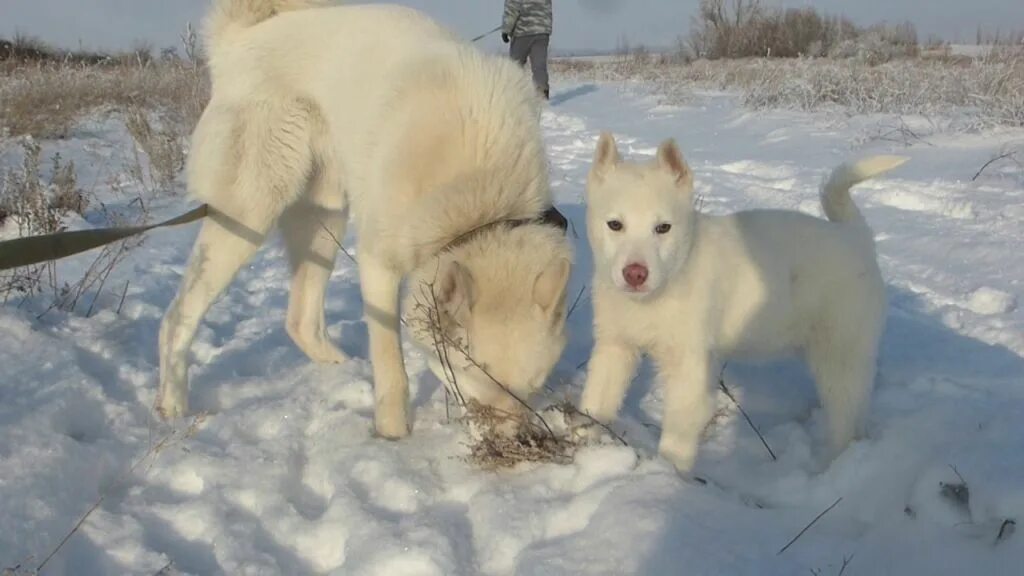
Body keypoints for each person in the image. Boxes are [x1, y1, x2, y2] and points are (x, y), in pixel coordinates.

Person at [501, 0, 552, 100]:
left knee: (515, 66)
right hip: (542, 31)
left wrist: (506, 30)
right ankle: (542, 97)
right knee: (539, 67)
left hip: (523, 31)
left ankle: (514, 97)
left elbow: (512, 7)